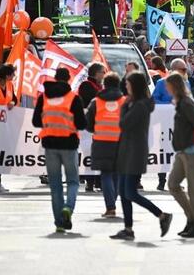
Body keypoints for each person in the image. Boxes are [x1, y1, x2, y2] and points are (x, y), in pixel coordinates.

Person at [110, 71, 172, 240]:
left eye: (128, 84)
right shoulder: (135, 104)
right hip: (127, 150)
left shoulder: (139, 106)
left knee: (130, 192)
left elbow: (124, 123)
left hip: (135, 152)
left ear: (135, 86)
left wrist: (124, 107)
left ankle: (162, 215)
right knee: (124, 192)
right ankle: (128, 229)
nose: (126, 86)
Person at [32, 68, 87, 233]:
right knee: (73, 182)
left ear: (55, 79)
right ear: (68, 79)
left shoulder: (44, 97)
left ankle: (59, 223)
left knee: (55, 185)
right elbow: (82, 124)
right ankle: (68, 209)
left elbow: (36, 121)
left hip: (50, 145)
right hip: (69, 145)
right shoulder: (73, 98)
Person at [166, 73, 194, 238]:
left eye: (168, 85)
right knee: (173, 184)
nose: (166, 88)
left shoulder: (187, 104)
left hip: (192, 152)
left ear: (174, 86)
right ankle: (192, 218)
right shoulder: (181, 103)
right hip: (182, 151)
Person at [85, 72, 125, 218]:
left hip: (101, 142)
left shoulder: (96, 102)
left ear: (104, 84)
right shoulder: (125, 102)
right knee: (117, 174)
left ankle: (110, 207)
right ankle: (112, 203)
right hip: (121, 142)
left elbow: (88, 123)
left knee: (106, 174)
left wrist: (97, 129)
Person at [152, 58, 190, 190]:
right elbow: (154, 100)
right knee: (164, 150)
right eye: (183, 69)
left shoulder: (187, 83)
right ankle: (162, 181)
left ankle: (177, 180)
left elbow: (189, 99)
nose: (186, 72)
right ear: (174, 69)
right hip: (165, 124)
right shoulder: (162, 83)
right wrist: (169, 106)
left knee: (179, 152)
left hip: (181, 124)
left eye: (186, 69)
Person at [78, 62, 106, 192]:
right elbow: (90, 100)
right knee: (89, 153)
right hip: (89, 125)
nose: (104, 74)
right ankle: (90, 181)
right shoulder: (86, 85)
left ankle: (99, 182)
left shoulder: (101, 86)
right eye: (102, 72)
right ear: (96, 73)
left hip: (100, 125)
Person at [0, 64, 16, 193]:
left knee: (1, 155)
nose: (14, 76)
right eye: (12, 74)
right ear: (6, 75)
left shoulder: (10, 86)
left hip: (5, 127)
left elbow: (14, 99)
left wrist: (13, 103)